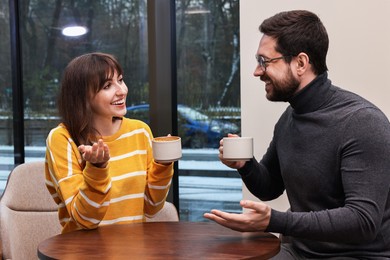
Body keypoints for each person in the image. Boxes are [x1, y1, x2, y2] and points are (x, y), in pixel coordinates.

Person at [204, 10, 390, 259]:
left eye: (264, 61)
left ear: (301, 63)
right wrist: (245, 165)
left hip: (358, 255)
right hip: (299, 251)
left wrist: (275, 221)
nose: (257, 72)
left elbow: (363, 221)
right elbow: (269, 186)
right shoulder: (289, 118)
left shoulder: (363, 122)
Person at [45, 52, 174, 234]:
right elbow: (85, 219)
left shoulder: (140, 131)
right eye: (107, 86)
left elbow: (152, 207)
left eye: (120, 80)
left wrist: (163, 163)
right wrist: (97, 169)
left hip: (133, 250)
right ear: (82, 96)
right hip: (82, 253)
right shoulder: (62, 138)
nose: (121, 90)